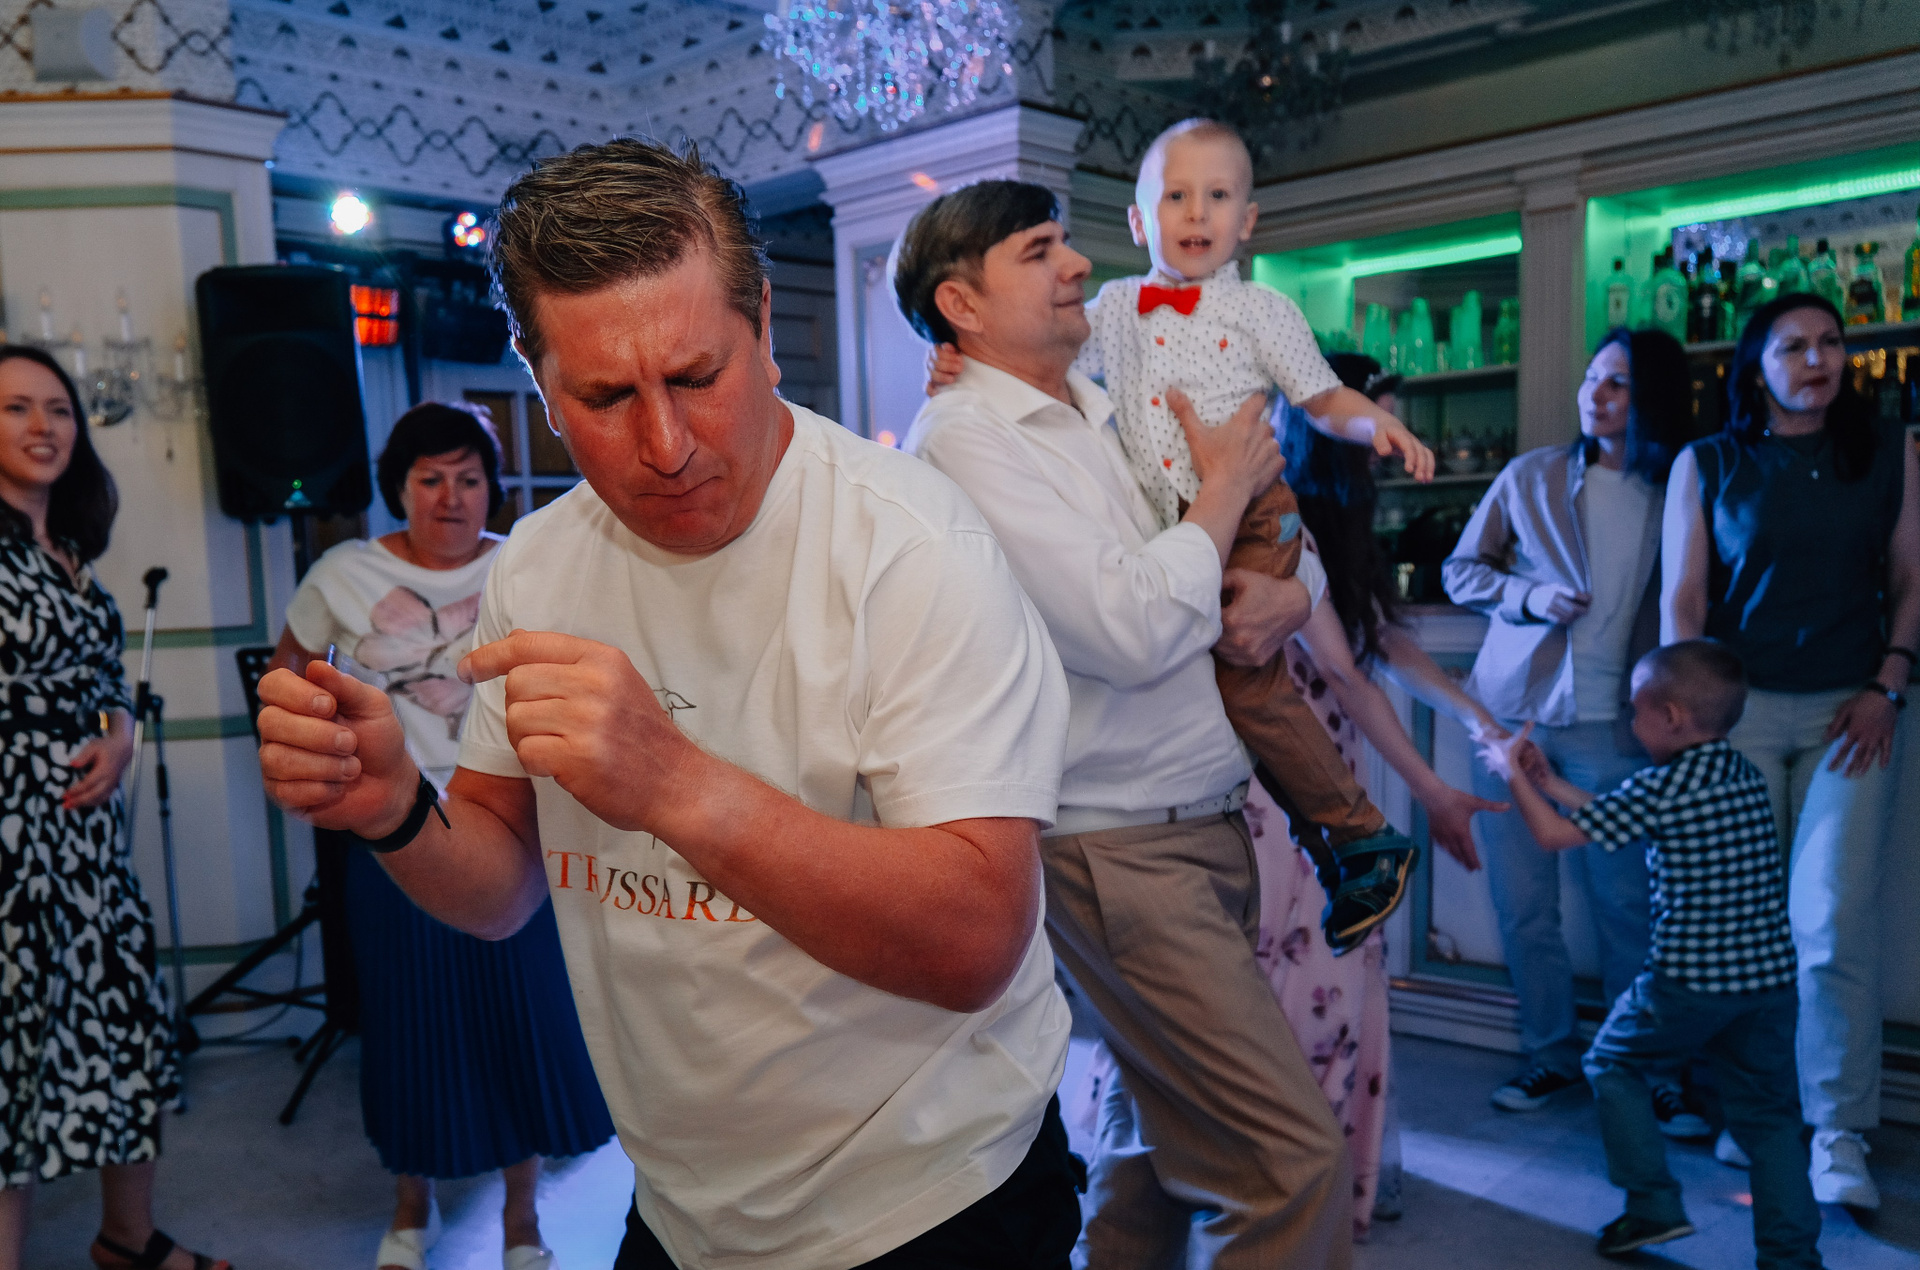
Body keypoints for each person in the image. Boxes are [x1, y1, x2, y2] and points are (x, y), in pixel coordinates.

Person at [257, 138, 1082, 1270]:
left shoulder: (912, 547)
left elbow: (979, 936)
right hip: (687, 1206)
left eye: (696, 376)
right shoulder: (538, 564)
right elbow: (499, 888)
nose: (666, 445)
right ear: (540, 382)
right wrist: (394, 806)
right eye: (604, 396)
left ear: (765, 326)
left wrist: (674, 783)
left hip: (929, 1192)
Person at [899, 179, 1350, 1269]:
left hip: (1205, 818)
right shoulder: (965, 439)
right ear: (961, 305)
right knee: (1292, 1163)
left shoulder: (1107, 404)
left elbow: (1278, 546)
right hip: (1119, 845)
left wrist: (1294, 595)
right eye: (1039, 250)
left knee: (1153, 1145)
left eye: (1067, 243)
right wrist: (1223, 492)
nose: (1079, 267)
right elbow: (1134, 627)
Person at [932, 119, 1436, 952]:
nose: (1196, 212)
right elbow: (1035, 357)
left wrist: (1374, 425)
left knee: (1246, 684)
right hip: (1182, 524)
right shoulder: (1114, 310)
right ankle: (1339, 843)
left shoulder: (1263, 310)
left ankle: (1360, 834)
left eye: (1218, 196)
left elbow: (1319, 397)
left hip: (1255, 511)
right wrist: (957, 362)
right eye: (1175, 196)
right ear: (1139, 221)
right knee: (1237, 688)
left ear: (1248, 220)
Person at [266, 401, 613, 1270]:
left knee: (521, 1026)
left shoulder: (526, 563)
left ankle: (522, 1221)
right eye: (431, 479)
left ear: (491, 489)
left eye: (469, 478)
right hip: (392, 833)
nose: (451, 498)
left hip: (514, 827)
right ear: (399, 489)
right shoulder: (343, 574)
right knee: (408, 1026)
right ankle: (410, 1206)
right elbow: (287, 677)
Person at [1236, 352, 1512, 1237]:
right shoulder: (1279, 525)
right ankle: (1289, 1198)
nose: (1390, 447)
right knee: (1300, 984)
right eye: (1377, 428)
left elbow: (1382, 643)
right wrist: (1432, 791)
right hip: (1280, 796)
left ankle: (1315, 1192)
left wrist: (1479, 720)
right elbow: (1350, 677)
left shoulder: (1333, 528)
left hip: (1327, 786)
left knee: (1336, 978)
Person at [1662, 292, 1918, 1208]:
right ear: (1756, 367)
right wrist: (1689, 725)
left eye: (1831, 343)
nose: (1818, 360)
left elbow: (1912, 578)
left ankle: (1838, 1131)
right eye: (1795, 347)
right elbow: (1684, 602)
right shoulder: (1707, 462)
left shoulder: (1888, 450)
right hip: (1738, 717)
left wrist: (1889, 685)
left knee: (1831, 919)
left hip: (1852, 712)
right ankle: (1759, 1110)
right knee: (1748, 929)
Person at [1480, 640, 1821, 1268]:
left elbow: (1554, 836)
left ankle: (1652, 1206)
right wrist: (1549, 782)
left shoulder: (1659, 787)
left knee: (1611, 1063)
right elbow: (1618, 817)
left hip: (1686, 983)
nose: (1629, 721)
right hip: (1768, 983)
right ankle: (1791, 1257)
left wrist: (1511, 774)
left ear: (1671, 718)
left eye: (1635, 710)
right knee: (1771, 1119)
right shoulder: (1739, 775)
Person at [0, 346, 226, 1270]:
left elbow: (99, 681)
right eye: (16, 408)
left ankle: (126, 1239)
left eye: (58, 409)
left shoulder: (69, 551)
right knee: (12, 1055)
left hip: (88, 847)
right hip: (12, 846)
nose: (43, 426)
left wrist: (121, 727)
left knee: (118, 1024)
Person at [1444, 328, 1702, 1131]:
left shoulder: (1683, 485)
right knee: (1526, 907)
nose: (1596, 395)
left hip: (1619, 730)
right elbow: (1461, 571)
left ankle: (1642, 1070)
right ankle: (1550, 1054)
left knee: (1630, 909)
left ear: (1652, 394)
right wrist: (1528, 598)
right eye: (1592, 378)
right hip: (1515, 715)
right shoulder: (1534, 475)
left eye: (1617, 383)